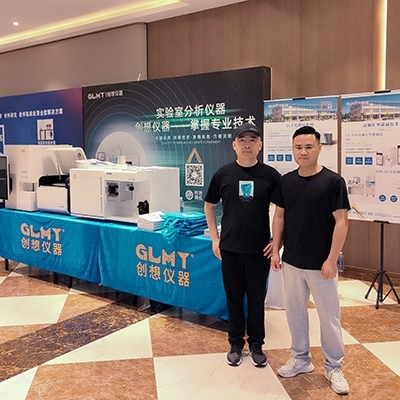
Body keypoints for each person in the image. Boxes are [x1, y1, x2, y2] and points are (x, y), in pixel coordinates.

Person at [270, 125, 350, 395]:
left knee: (329, 317)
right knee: (294, 313)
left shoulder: (333, 181)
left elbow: (341, 223)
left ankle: (334, 366)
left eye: (308, 147)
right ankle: (301, 359)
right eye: (298, 147)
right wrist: (276, 250)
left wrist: (331, 259)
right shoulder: (286, 181)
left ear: (319, 148)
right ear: (293, 149)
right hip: (292, 261)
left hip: (321, 264)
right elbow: (279, 216)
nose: (303, 152)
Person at [204, 122, 280, 368]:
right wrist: (215, 238)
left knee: (256, 300)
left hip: (259, 250)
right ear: (234, 145)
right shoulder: (223, 174)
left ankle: (256, 344)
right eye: (242, 140)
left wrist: (277, 242)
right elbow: (209, 205)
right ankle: (235, 343)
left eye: (252, 140)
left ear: (260, 145)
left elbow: (283, 211)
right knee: (234, 299)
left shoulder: (270, 175)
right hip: (230, 249)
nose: (247, 144)